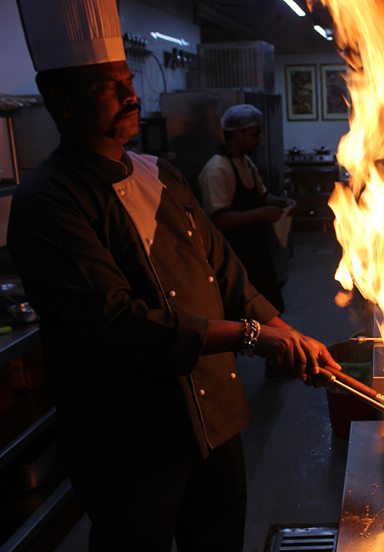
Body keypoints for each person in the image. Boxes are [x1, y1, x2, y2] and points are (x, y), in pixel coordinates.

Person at [9, 2, 339, 551]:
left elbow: (228, 275)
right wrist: (256, 338)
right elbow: (118, 323)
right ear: (61, 103)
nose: (130, 95)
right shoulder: (48, 202)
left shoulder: (160, 173)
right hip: (130, 439)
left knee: (219, 542)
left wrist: (288, 333)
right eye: (105, 88)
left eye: (127, 80)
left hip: (216, 420)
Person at [198, 105, 295, 313]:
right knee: (244, 313)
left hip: (256, 249)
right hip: (232, 255)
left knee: (267, 308)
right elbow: (220, 219)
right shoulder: (216, 169)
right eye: (254, 134)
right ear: (237, 134)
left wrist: (283, 202)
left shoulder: (246, 162)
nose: (259, 139)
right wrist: (263, 213)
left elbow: (262, 196)